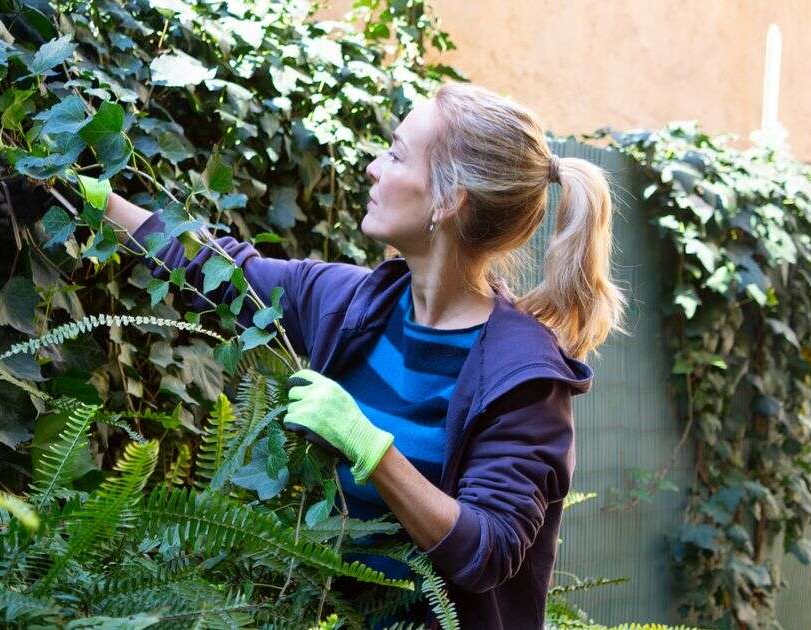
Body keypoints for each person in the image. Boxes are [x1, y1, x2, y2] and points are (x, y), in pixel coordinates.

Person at [101, 82, 626, 629]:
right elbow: (224, 272)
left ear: (449, 200)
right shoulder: (352, 304)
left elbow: (488, 550)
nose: (375, 167)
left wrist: (369, 449)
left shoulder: (522, 377)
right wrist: (95, 197)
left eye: (397, 154)